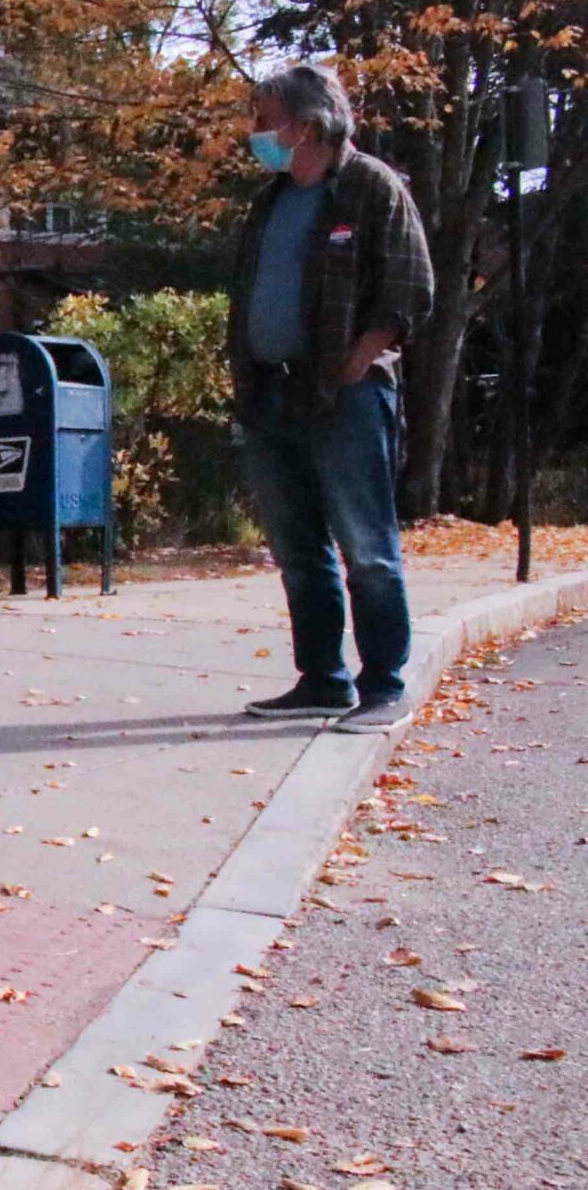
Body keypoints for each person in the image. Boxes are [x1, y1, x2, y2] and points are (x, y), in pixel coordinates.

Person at [228, 62, 435, 734]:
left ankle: (384, 687)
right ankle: (322, 679)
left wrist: (357, 361)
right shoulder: (270, 200)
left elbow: (409, 289)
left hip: (346, 398)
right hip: (270, 394)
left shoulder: (372, 187)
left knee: (367, 549)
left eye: (266, 121)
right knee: (297, 550)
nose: (257, 133)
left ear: (308, 125)